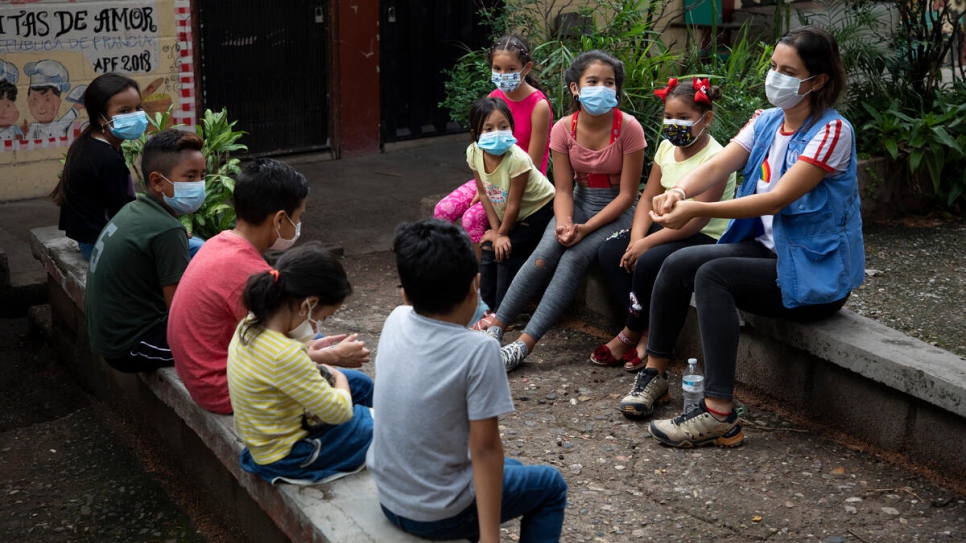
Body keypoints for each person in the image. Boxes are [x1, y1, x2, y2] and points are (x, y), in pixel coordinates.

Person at [634, 27, 864, 448]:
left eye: (788, 71)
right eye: (774, 67)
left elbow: (775, 200)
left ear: (819, 80)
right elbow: (719, 164)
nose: (775, 77)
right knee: (676, 261)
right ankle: (655, 374)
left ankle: (719, 413)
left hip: (812, 275)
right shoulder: (767, 120)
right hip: (770, 255)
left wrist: (698, 208)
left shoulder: (833, 132)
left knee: (713, 276)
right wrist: (679, 192)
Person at [367, 219, 567, 542]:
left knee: (513, 467)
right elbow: (486, 451)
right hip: (438, 514)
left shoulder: (396, 319)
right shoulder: (480, 350)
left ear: (406, 294)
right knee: (550, 486)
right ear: (476, 284)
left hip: (390, 499)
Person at [483, 49, 646, 371]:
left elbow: (627, 195)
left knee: (572, 259)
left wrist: (585, 229)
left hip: (616, 211)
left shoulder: (629, 128)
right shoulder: (563, 128)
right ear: (575, 88)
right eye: (593, 81)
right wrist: (566, 222)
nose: (602, 87)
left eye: (609, 82)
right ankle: (496, 328)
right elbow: (562, 189)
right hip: (577, 202)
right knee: (544, 253)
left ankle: (522, 346)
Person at [168, 158, 369, 414]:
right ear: (280, 219)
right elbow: (273, 357)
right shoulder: (251, 273)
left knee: (315, 340)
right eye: (299, 217)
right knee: (360, 385)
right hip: (224, 390)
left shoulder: (219, 243)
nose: (298, 225)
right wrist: (332, 358)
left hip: (206, 376)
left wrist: (315, 349)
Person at [594, 78, 736, 374]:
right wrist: (637, 237)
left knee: (647, 260)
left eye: (683, 118)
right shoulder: (664, 149)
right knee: (610, 251)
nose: (674, 124)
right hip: (665, 228)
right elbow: (647, 198)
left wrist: (647, 244)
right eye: (669, 117)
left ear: (705, 119)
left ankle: (630, 333)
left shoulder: (717, 158)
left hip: (701, 236)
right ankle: (645, 328)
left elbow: (698, 219)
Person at [227, 243, 373, 484]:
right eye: (321, 318)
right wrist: (339, 376)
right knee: (384, 426)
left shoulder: (251, 323)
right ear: (308, 305)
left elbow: (273, 363)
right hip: (289, 455)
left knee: (363, 387)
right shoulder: (284, 354)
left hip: (266, 435)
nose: (316, 327)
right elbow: (340, 411)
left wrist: (309, 352)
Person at [84, 129, 207, 373]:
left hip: (109, 334)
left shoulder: (136, 209)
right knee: (229, 342)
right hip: (130, 345)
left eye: (202, 175)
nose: (199, 185)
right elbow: (180, 312)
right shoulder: (166, 230)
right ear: (157, 181)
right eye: (190, 177)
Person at [434, 33, 553, 256]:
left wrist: (491, 190)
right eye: (497, 68)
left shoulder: (539, 106)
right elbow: (483, 148)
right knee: (442, 210)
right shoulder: (494, 97)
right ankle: (446, 268)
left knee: (471, 218)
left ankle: (480, 279)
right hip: (492, 177)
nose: (502, 75)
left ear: (526, 68)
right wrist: (485, 186)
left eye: (510, 69)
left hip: (523, 183)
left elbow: (533, 164)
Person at [467, 97, 555, 315]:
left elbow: (515, 203)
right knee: (489, 249)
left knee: (506, 250)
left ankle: (504, 313)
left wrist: (502, 234)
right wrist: (496, 231)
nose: (497, 132)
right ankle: (486, 309)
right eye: (488, 128)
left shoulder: (518, 159)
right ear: (475, 132)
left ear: (512, 128)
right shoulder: (473, 152)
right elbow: (485, 194)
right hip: (507, 212)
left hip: (539, 210)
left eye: (503, 126)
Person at [50, 73, 146, 260]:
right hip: (99, 245)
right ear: (101, 118)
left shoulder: (88, 142)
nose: (135, 116)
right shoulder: (107, 158)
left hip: (89, 239)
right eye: (124, 111)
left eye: (138, 108)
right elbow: (121, 217)